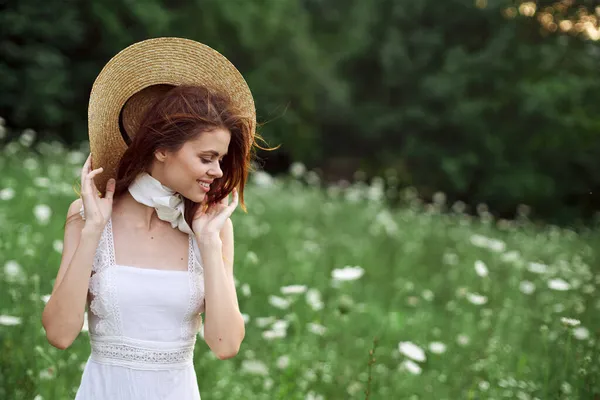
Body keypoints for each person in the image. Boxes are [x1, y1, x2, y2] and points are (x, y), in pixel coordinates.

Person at [41, 38, 274, 400]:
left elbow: (226, 344)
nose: (217, 171)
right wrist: (91, 232)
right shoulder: (88, 217)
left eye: (221, 160)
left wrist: (209, 245)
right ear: (162, 149)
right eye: (207, 157)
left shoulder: (214, 229)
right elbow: (59, 334)